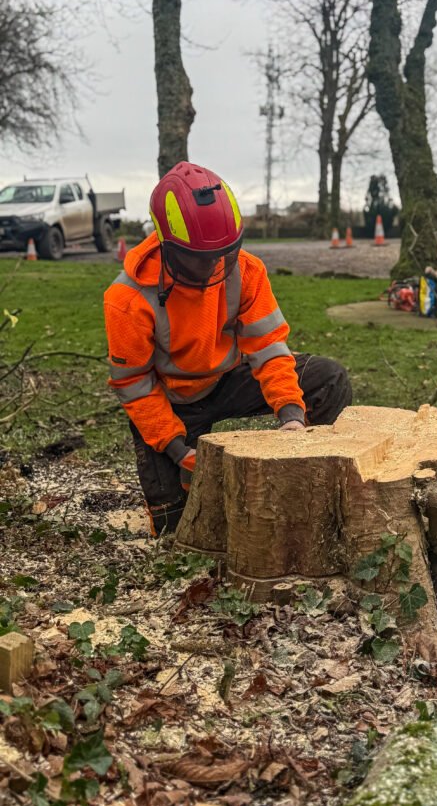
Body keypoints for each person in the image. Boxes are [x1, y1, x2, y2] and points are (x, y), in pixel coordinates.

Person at [103, 162, 352, 535]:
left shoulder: (246, 271)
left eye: (222, 254)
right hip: (171, 399)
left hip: (228, 379)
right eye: (198, 258)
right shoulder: (127, 298)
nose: (212, 266)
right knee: (173, 527)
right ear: (167, 245)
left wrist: (291, 413)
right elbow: (133, 384)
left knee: (328, 379)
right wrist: (176, 448)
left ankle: (318, 481)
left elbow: (268, 348)